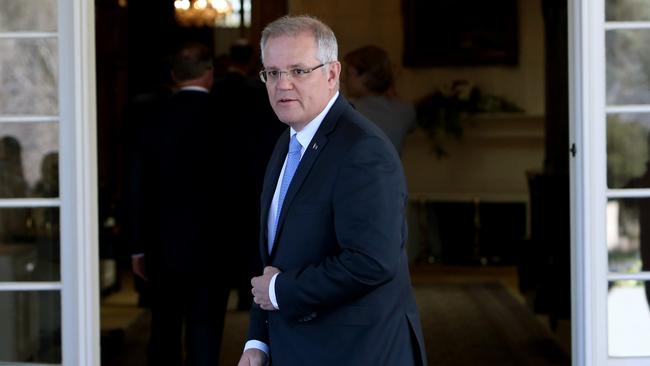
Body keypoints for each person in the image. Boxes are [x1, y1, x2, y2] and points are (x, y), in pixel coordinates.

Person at [238, 15, 427, 366]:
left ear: (331, 73)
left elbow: (371, 262)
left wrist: (280, 292)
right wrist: (258, 341)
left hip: (357, 352)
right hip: (298, 346)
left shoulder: (363, 149)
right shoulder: (287, 140)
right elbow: (275, 258)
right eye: (273, 72)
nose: (283, 84)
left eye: (298, 71)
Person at [128, 41, 234, 366]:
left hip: (163, 245)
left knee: (164, 329)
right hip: (214, 245)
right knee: (206, 329)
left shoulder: (150, 117)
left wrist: (137, 247)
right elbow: (240, 186)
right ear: (210, 74)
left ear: (174, 75)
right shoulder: (229, 118)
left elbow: (137, 186)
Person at [212, 40, 285, 311]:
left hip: (220, 176)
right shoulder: (259, 92)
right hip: (256, 174)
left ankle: (229, 289)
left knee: (227, 236)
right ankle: (248, 294)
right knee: (253, 237)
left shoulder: (215, 90)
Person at [343, 45, 416, 155]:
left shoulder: (347, 111)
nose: (343, 79)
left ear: (365, 77)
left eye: (349, 74)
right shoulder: (405, 111)